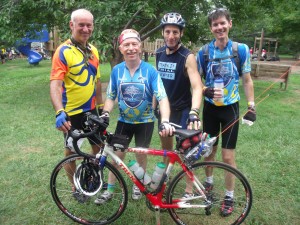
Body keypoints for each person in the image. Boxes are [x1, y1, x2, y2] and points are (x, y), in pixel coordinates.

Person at [94, 29, 174, 204]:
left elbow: (162, 97)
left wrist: (165, 120)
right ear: (121, 48)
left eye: (134, 44)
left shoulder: (150, 71)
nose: (131, 48)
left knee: (140, 155)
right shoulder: (116, 71)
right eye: (126, 45)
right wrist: (106, 113)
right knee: (117, 156)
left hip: (145, 123)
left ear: (140, 47)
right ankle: (109, 190)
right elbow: (111, 96)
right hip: (124, 121)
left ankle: (138, 185)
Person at [197, 8, 256, 216]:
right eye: (215, 25)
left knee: (228, 156)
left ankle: (229, 196)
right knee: (209, 150)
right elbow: (197, 83)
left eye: (222, 23)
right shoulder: (204, 52)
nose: (219, 27)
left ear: (229, 23)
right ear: (211, 28)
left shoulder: (240, 50)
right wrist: (205, 89)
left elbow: (247, 80)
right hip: (211, 108)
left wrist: (251, 105)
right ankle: (209, 183)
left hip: (230, 108)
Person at [50, 9, 104, 201]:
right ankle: (75, 187)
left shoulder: (94, 50)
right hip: (72, 113)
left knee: (98, 146)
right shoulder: (63, 51)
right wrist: (59, 111)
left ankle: (93, 176)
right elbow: (55, 84)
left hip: (92, 110)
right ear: (71, 25)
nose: (85, 28)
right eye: (81, 24)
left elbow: (97, 81)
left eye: (89, 25)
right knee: (71, 153)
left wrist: (102, 107)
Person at [155, 12, 203, 165]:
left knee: (187, 151)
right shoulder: (159, 53)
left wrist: (194, 112)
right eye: (167, 31)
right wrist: (153, 106)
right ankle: (164, 180)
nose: (171, 36)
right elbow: (158, 83)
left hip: (183, 110)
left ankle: (189, 189)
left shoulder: (187, 56)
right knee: (166, 149)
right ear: (162, 32)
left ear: (181, 33)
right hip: (164, 111)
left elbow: (197, 87)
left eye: (175, 32)